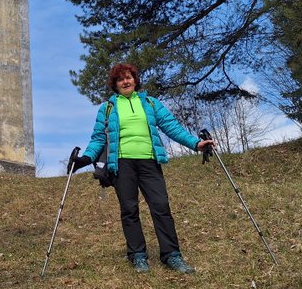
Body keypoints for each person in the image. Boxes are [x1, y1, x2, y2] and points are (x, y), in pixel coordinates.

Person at [70, 63, 213, 274]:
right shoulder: (108, 108)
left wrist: (195, 144)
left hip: (149, 161)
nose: (125, 81)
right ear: (115, 85)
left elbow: (172, 127)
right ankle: (137, 255)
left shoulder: (150, 103)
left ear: (135, 80)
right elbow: (99, 138)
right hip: (121, 163)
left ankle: (172, 255)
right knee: (129, 209)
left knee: (161, 206)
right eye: (120, 79)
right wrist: (86, 158)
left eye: (129, 77)